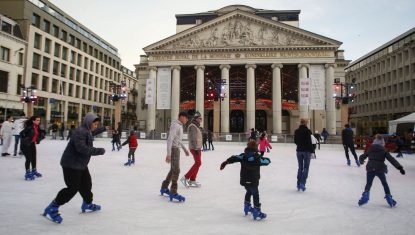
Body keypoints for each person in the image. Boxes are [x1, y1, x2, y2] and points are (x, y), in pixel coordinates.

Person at [42, 113, 107, 223]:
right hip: (71, 164)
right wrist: (98, 151)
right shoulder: (80, 131)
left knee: (86, 184)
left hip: (80, 164)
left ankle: (87, 203)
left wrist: (103, 129)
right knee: (72, 188)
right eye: (94, 124)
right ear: (88, 122)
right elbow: (82, 148)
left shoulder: (86, 130)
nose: (95, 126)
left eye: (97, 124)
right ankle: (52, 207)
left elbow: (92, 133)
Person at [220, 140, 271, 220]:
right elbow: (267, 161)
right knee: (255, 194)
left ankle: (247, 206)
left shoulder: (243, 156)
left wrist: (225, 162)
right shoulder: (257, 158)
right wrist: (264, 158)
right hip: (253, 180)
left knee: (249, 191)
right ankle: (257, 211)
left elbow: (234, 158)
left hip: (244, 180)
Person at [358, 134, 405, 207]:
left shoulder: (370, 148)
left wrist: (361, 160)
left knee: (368, 183)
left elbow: (363, 156)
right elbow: (391, 159)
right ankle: (389, 198)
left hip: (370, 168)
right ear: (382, 143)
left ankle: (366, 195)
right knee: (384, 183)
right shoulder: (384, 150)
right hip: (380, 169)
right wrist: (399, 167)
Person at [160, 112, 189, 202]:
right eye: (186, 118)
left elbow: (178, 140)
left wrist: (184, 149)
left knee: (173, 170)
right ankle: (173, 191)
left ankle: (164, 187)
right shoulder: (175, 125)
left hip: (177, 149)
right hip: (173, 150)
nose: (187, 120)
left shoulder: (179, 126)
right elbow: (170, 139)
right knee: (176, 170)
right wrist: (168, 154)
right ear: (181, 117)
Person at [181, 111, 203, 188]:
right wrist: (196, 148)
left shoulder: (196, 126)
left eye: (201, 118)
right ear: (196, 119)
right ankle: (186, 177)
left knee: (198, 163)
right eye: (200, 118)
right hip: (195, 148)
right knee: (198, 163)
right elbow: (192, 138)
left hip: (198, 147)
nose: (201, 119)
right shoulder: (193, 126)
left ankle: (192, 180)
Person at [19, 116, 45, 180]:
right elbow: (21, 134)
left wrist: (40, 137)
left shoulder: (37, 127)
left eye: (39, 120)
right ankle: (27, 173)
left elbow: (39, 135)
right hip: (26, 145)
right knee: (29, 158)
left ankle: (34, 171)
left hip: (32, 144)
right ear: (33, 121)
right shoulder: (29, 127)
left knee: (34, 158)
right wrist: (26, 139)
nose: (39, 121)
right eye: (37, 120)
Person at [294, 118, 314, 191]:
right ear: (306, 123)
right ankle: (302, 183)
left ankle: (298, 183)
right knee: (306, 168)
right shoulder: (308, 131)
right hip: (306, 151)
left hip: (299, 151)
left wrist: (300, 145)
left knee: (300, 167)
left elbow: (295, 141)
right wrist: (312, 151)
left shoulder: (296, 131)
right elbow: (309, 142)